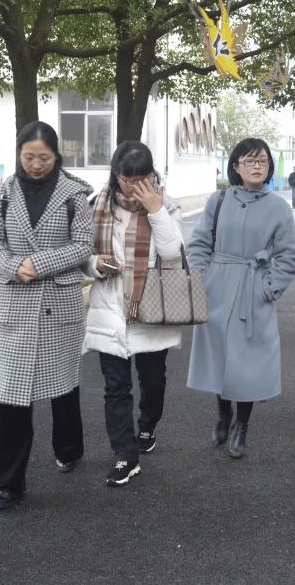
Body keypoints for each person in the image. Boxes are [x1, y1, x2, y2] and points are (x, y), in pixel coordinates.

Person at [0, 121, 94, 510]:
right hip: (16, 303)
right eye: (28, 156)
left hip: (58, 303)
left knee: (62, 385)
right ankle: (8, 483)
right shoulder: (6, 193)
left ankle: (68, 447)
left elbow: (83, 243)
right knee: (13, 394)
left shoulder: (73, 193)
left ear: (56, 155)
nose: (35, 164)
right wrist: (14, 267)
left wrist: (38, 263)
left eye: (43, 157)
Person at [187, 138, 295, 459]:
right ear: (235, 166)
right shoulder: (219, 200)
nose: (256, 165)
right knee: (221, 357)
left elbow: (288, 255)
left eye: (262, 160)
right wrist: (202, 279)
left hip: (254, 290)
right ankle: (223, 414)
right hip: (218, 286)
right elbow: (199, 243)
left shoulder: (279, 207)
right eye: (249, 160)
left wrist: (268, 288)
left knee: (249, 363)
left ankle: (242, 425)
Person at [83, 141, 184, 487]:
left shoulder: (165, 204)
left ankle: (148, 424)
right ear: (116, 175)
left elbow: (172, 253)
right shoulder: (96, 204)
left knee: (152, 381)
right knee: (116, 387)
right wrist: (95, 264)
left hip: (151, 306)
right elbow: (84, 253)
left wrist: (155, 209)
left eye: (143, 178)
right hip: (110, 308)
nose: (135, 186)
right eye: (128, 179)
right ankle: (125, 454)